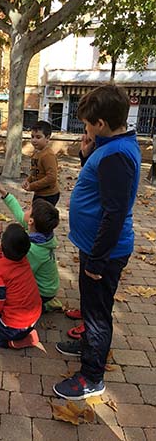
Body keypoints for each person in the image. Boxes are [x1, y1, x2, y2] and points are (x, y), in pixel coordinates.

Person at [53, 85, 141, 400]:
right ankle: (90, 344)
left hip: (104, 250)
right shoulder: (112, 145)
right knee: (92, 306)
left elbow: (115, 212)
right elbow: (97, 185)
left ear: (101, 123)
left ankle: (92, 376)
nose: (86, 129)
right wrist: (86, 152)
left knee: (97, 312)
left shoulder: (117, 155)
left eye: (89, 124)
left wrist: (99, 259)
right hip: (95, 246)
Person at [0, 172, 60, 311]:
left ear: (31, 221)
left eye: (29, 208)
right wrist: (0, 188)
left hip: (44, 292)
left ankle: (41, 305)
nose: (25, 208)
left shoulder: (34, 250)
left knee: (12, 293)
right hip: (48, 286)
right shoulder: (41, 233)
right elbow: (16, 210)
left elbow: (19, 273)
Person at [22, 120, 60, 206]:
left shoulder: (48, 155)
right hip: (39, 193)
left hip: (49, 195)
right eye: (32, 137)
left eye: (38, 137)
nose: (34, 140)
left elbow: (51, 177)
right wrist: (28, 181)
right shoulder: (37, 153)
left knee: (42, 218)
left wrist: (32, 186)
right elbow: (35, 172)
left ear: (47, 138)